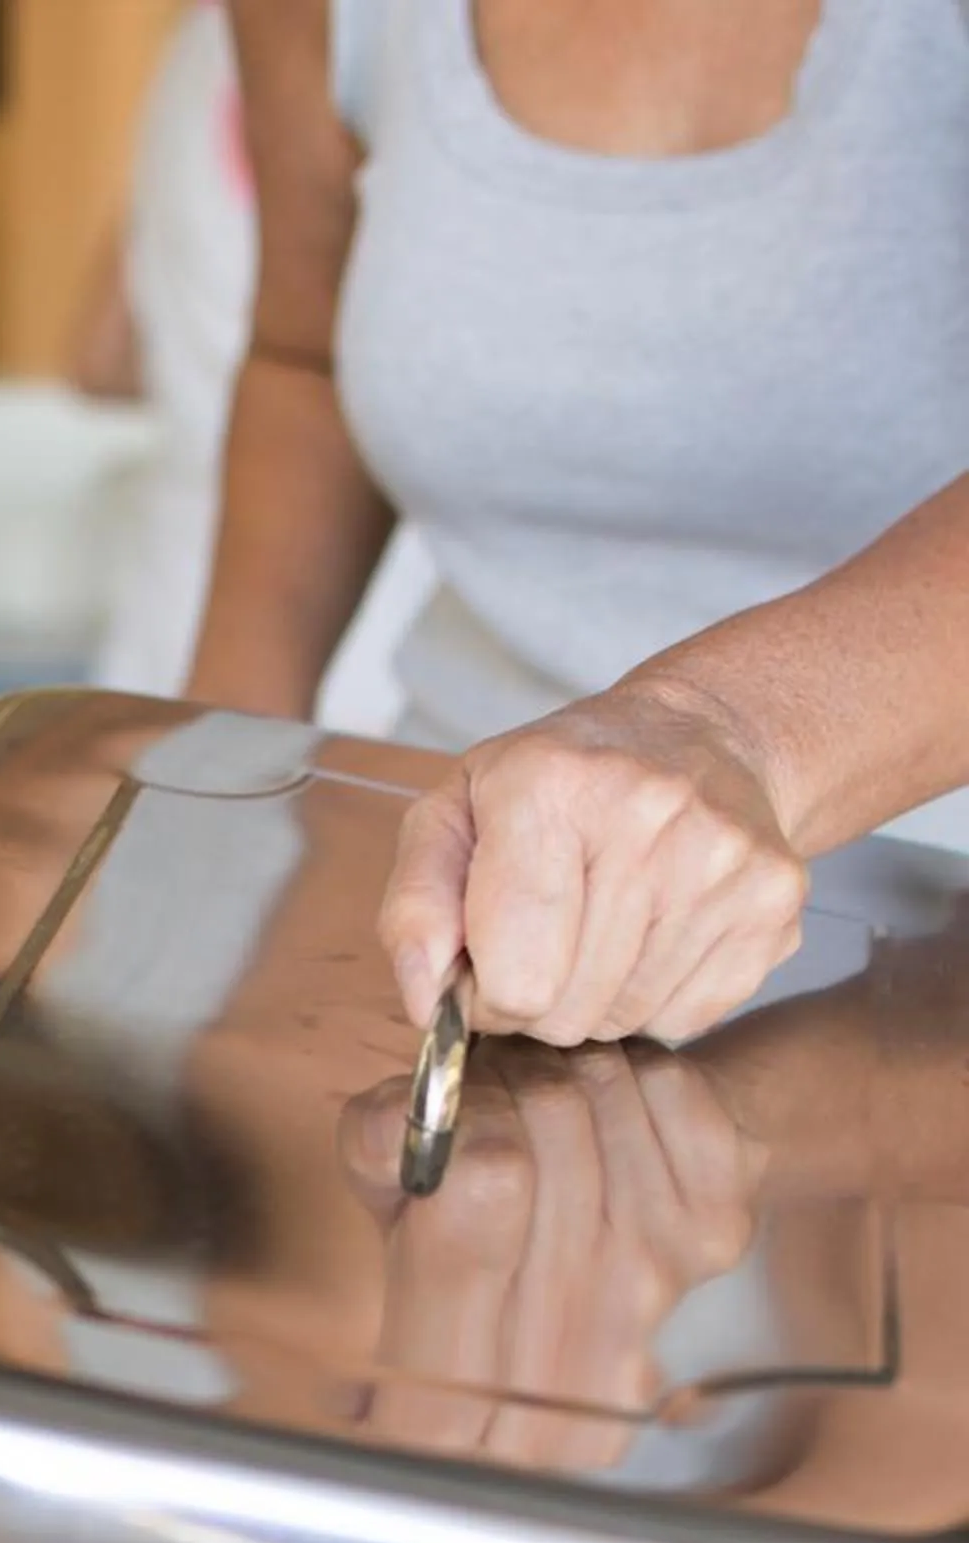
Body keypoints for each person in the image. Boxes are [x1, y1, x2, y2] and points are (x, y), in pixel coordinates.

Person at [189, 1, 969, 1050]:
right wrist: (211, 793)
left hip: (929, 968)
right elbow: (303, 353)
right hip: (449, 942)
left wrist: (723, 730)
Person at [75, 2, 258, 697]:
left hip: (170, 595)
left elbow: (98, 358)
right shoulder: (375, 44)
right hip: (344, 620)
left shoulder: (197, 45)